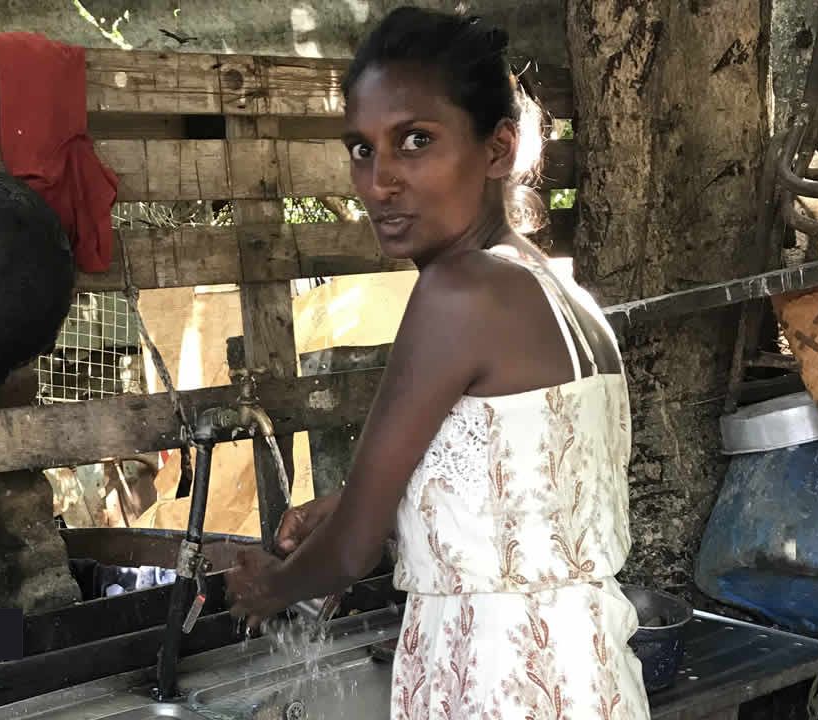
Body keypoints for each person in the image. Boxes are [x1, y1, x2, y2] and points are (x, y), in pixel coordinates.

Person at [224, 7, 650, 719]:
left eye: (415, 141)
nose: (379, 181)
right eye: (361, 149)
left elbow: (350, 552)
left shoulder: (458, 294)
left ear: (498, 148)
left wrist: (271, 588)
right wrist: (395, 504)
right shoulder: (563, 295)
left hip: (499, 683)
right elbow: (520, 498)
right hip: (586, 680)